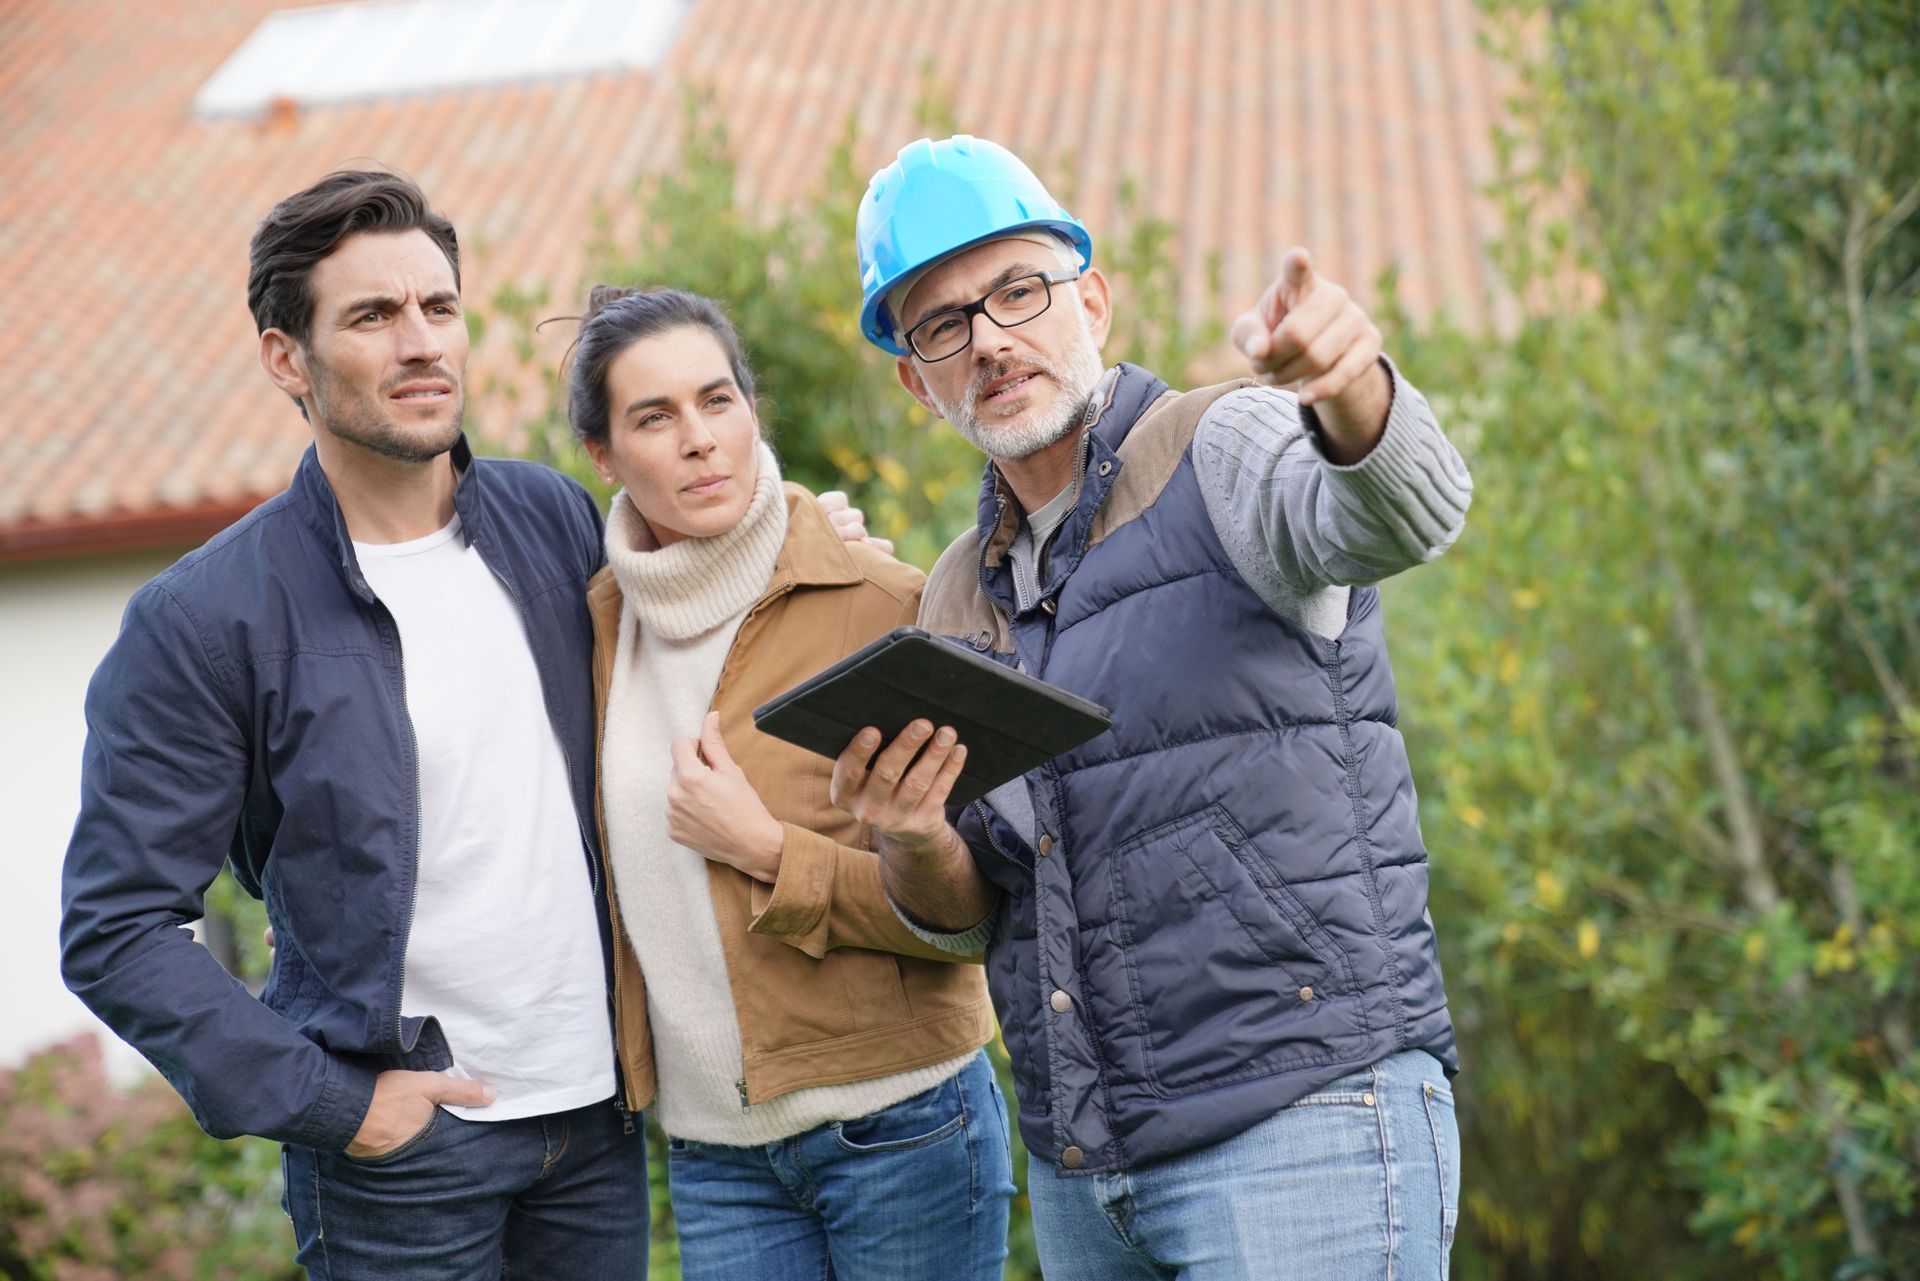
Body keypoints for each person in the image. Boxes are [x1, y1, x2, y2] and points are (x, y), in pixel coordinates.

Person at [55, 170, 881, 1281]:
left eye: (439, 309)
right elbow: (117, 929)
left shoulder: (550, 519)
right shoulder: (207, 620)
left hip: (598, 1122)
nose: (421, 344)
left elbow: (698, 624)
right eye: (373, 317)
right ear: (284, 359)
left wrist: (816, 545)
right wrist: (334, 1103)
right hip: (402, 1159)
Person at [830, 135, 1475, 1279]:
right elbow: (972, 916)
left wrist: (1351, 388)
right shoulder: (951, 597)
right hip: (1090, 1182)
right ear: (914, 378)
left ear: (1093, 298)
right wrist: (913, 834)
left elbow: (1398, 519)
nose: (988, 339)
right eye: (941, 324)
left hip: (1303, 1126)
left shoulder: (1221, 445)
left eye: (1016, 292)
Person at [567, 284, 1013, 1281]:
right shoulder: (594, 631)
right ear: (603, 455)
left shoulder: (886, 607)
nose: (698, 440)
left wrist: (768, 851)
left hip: (899, 1125)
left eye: (718, 400)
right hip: (714, 1154)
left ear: (752, 410)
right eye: (654, 416)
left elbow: (972, 914)